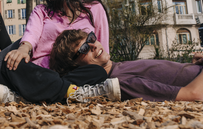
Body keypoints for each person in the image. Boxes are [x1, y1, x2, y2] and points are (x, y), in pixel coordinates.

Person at [0, 0, 120, 103]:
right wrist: (23, 49)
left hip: (73, 72)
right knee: (13, 63)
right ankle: (70, 92)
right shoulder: (41, 11)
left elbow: (102, 49)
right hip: (39, 72)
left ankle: (28, 96)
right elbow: (31, 34)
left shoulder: (94, 9)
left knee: (97, 72)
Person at [50, 29, 203, 102]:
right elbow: (194, 95)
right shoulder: (121, 82)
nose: (94, 46)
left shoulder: (119, 67)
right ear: (76, 67)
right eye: (84, 49)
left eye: (91, 38)